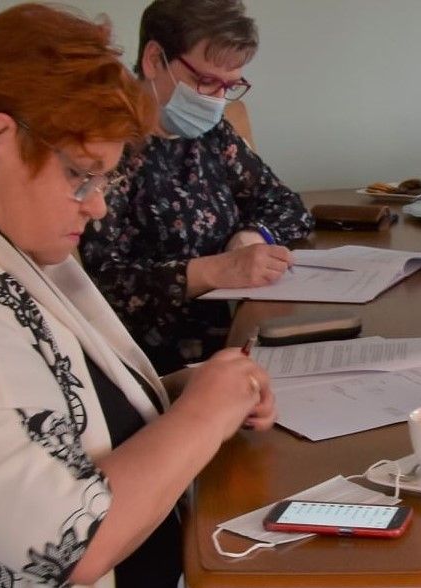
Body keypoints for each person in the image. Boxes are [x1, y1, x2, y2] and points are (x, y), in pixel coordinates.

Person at [0, 5, 277, 588]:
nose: (98, 206)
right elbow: (67, 538)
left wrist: (184, 392)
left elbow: (49, 414)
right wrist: (202, 415)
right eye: (82, 177)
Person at [80, 0, 314, 374]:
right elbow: (99, 284)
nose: (215, 101)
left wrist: (252, 236)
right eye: (205, 82)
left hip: (237, 340)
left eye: (229, 86)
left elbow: (286, 204)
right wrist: (214, 272)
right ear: (154, 60)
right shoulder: (105, 146)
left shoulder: (210, 134)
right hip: (153, 367)